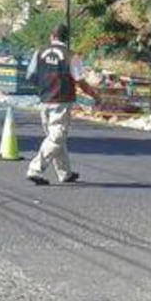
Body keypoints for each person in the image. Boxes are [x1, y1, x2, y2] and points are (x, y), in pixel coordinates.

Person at [25, 24, 99, 186]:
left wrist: (43, 87)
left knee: (55, 138)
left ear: (52, 36)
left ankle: (65, 173)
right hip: (62, 101)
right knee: (56, 137)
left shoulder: (39, 52)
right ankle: (35, 169)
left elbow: (30, 75)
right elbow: (79, 81)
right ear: (67, 38)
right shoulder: (71, 56)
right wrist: (94, 95)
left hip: (45, 100)